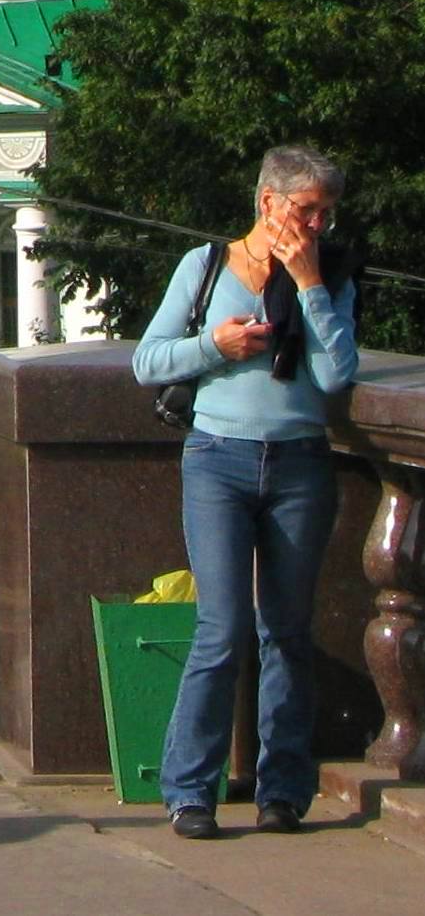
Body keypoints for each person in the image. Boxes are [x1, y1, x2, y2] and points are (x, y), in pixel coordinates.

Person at [133, 145, 362, 840]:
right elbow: (147, 360)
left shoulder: (330, 271)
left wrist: (309, 283)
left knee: (286, 632)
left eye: (325, 212)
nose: (316, 223)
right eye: (304, 209)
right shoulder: (205, 267)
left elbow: (334, 373)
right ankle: (189, 791)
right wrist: (214, 345)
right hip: (216, 460)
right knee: (221, 627)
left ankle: (282, 791)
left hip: (298, 465)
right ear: (267, 202)